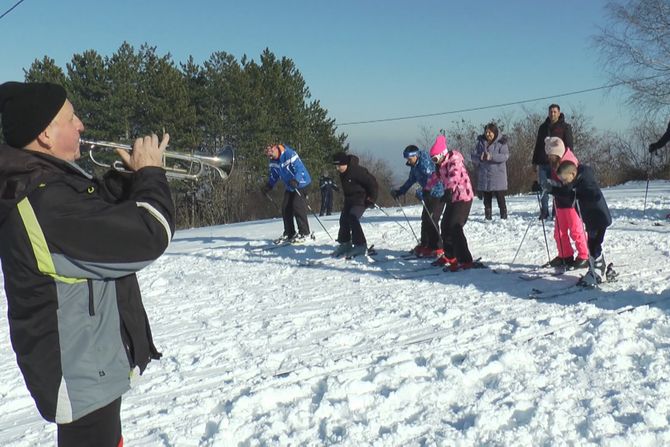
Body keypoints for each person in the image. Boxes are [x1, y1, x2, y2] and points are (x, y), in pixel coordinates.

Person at [0, 81, 175, 447]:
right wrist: (151, 175)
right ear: (46, 134)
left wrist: (128, 179)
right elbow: (150, 234)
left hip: (89, 368)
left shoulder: (50, 184)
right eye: (71, 117)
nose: (81, 124)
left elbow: (97, 215)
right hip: (79, 377)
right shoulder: (45, 203)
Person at [551, 160, 612, 284]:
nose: (564, 183)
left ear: (573, 174)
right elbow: (567, 193)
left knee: (594, 245)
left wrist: (591, 195)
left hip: (598, 218)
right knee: (592, 244)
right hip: (591, 218)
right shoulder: (577, 181)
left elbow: (581, 193)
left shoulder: (585, 182)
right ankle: (596, 266)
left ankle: (598, 268)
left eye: (564, 180)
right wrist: (551, 189)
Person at [426, 133, 476, 271]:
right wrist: (425, 189)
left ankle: (465, 260)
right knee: (445, 225)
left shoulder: (454, 159)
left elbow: (454, 175)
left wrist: (448, 190)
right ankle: (450, 255)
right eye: (433, 159)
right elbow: (434, 178)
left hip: (463, 197)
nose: (435, 161)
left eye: (435, 158)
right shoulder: (441, 165)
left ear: (442, 153)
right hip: (452, 197)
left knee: (455, 226)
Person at [390, 144, 445, 257]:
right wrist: (401, 191)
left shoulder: (425, 163)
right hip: (428, 194)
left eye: (410, 159)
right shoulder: (415, 166)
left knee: (432, 219)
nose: (408, 162)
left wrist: (424, 191)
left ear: (416, 156)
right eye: (407, 160)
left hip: (438, 194)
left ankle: (437, 247)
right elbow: (411, 180)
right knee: (425, 219)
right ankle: (425, 245)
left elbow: (433, 178)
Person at [543, 136, 589, 269]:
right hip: (560, 201)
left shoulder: (568, 162)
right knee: (559, 231)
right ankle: (565, 255)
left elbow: (568, 187)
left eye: (551, 155)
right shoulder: (556, 162)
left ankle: (584, 255)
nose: (549, 158)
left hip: (571, 202)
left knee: (576, 229)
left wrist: (553, 188)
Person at [261, 143, 312, 243]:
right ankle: (290, 232)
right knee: (285, 207)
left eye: (270, 151)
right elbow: (274, 176)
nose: (269, 154)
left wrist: (296, 180)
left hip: (302, 183)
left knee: (297, 205)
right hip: (290, 186)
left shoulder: (289, 154)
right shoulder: (273, 161)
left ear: (275, 147)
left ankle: (305, 233)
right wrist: (268, 186)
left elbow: (300, 169)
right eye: (266, 153)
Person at [331, 152, 378, 258]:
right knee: (343, 219)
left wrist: (372, 198)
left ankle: (360, 245)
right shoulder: (343, 172)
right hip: (350, 200)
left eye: (339, 166)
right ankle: (345, 243)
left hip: (361, 199)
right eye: (336, 166)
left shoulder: (357, 171)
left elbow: (372, 183)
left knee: (353, 217)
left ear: (345, 163)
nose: (337, 168)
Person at [532, 104, 574, 220]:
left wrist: (567, 162)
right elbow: (538, 145)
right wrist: (534, 161)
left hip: (558, 163)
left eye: (555, 112)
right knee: (543, 187)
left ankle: (557, 211)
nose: (552, 114)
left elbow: (569, 146)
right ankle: (544, 211)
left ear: (559, 113)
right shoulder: (543, 127)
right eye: (551, 111)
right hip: (543, 162)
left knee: (557, 187)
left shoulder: (565, 127)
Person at [470, 123, 509, 220]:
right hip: (485, 174)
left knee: (500, 197)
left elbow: (505, 156)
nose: (488, 134)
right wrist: (480, 157)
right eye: (486, 132)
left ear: (494, 132)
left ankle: (503, 216)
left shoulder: (502, 142)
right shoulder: (480, 142)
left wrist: (491, 157)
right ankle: (488, 216)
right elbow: (473, 156)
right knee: (486, 198)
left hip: (498, 175)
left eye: (490, 132)